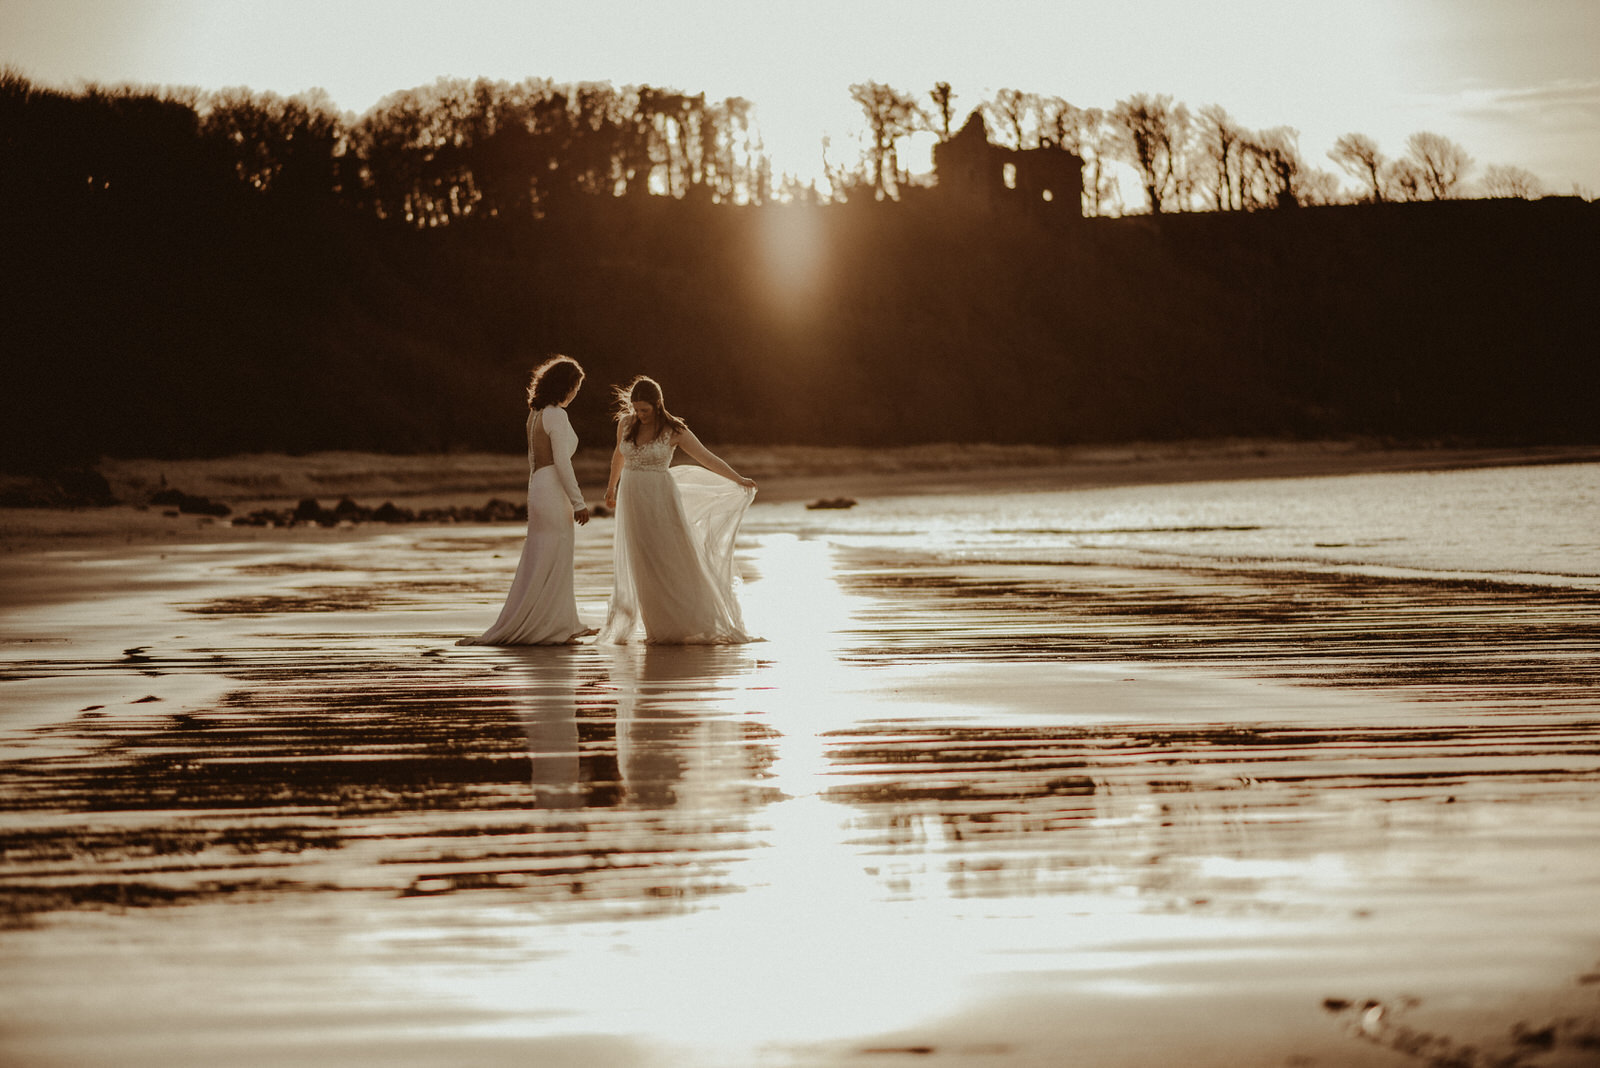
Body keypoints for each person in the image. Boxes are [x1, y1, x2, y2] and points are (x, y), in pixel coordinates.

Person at [598, 375, 758, 644]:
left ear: (658, 405)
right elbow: (619, 454)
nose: (640, 414)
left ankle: (691, 620)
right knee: (642, 563)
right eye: (636, 409)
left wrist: (738, 479)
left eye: (645, 410)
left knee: (670, 557)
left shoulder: (674, 430)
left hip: (660, 497)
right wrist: (611, 487)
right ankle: (657, 630)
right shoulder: (626, 424)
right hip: (632, 498)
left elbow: (706, 457)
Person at [459, 355, 594, 646]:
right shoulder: (556, 414)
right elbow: (561, 461)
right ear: (565, 386)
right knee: (555, 554)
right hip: (553, 488)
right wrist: (578, 500)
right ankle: (554, 625)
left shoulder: (535, 413)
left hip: (538, 487)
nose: (575, 394)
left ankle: (563, 621)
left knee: (542, 555)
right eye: (575, 388)